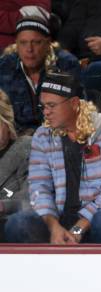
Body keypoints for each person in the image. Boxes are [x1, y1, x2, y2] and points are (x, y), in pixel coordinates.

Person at [4, 71, 101, 244]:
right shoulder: (43, 135)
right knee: (18, 223)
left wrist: (78, 228)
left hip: (97, 218)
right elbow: (38, 187)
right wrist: (54, 227)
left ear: (74, 103)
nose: (46, 112)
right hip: (59, 219)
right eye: (43, 106)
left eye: (51, 105)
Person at [0, 14, 80, 134]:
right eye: (23, 43)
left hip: (58, 135)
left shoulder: (66, 64)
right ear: (16, 43)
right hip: (16, 137)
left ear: (48, 43)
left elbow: (76, 111)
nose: (29, 49)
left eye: (36, 42)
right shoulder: (4, 66)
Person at [0, 89, 31, 241]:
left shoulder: (25, 148)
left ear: (7, 122)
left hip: (9, 224)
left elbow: (29, 199)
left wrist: (2, 205)